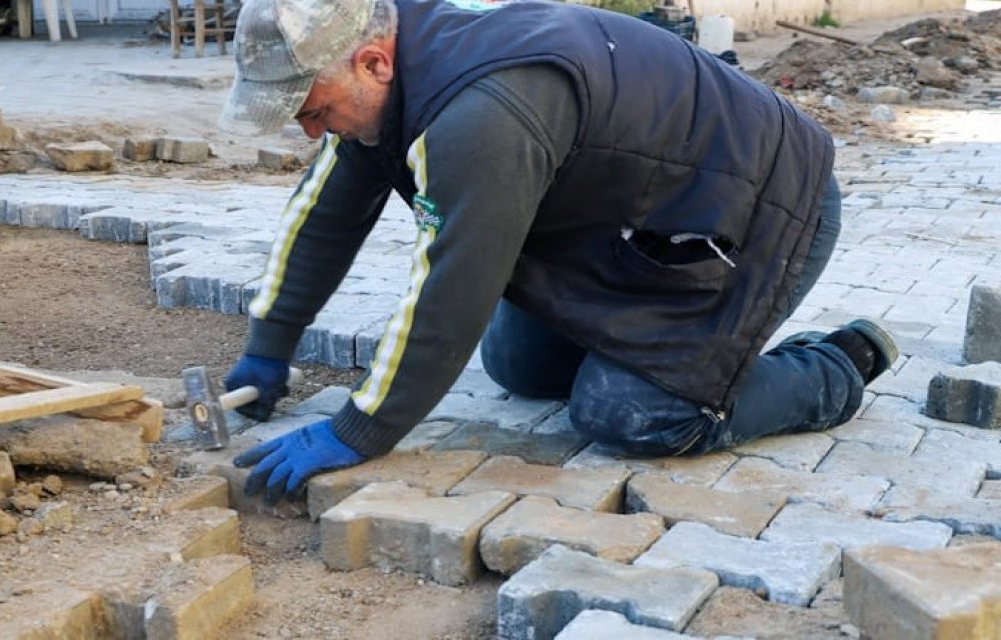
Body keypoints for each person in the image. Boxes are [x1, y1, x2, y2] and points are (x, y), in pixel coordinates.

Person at [218, 0, 899, 505]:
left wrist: (362, 427)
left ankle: (832, 368)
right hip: (644, 221)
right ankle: (669, 354)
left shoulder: (480, 115)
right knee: (517, 362)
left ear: (373, 63)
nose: (311, 131)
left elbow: (452, 289)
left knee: (632, 414)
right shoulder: (388, 76)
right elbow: (324, 219)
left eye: (311, 109)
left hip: (763, 214)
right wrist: (268, 346)